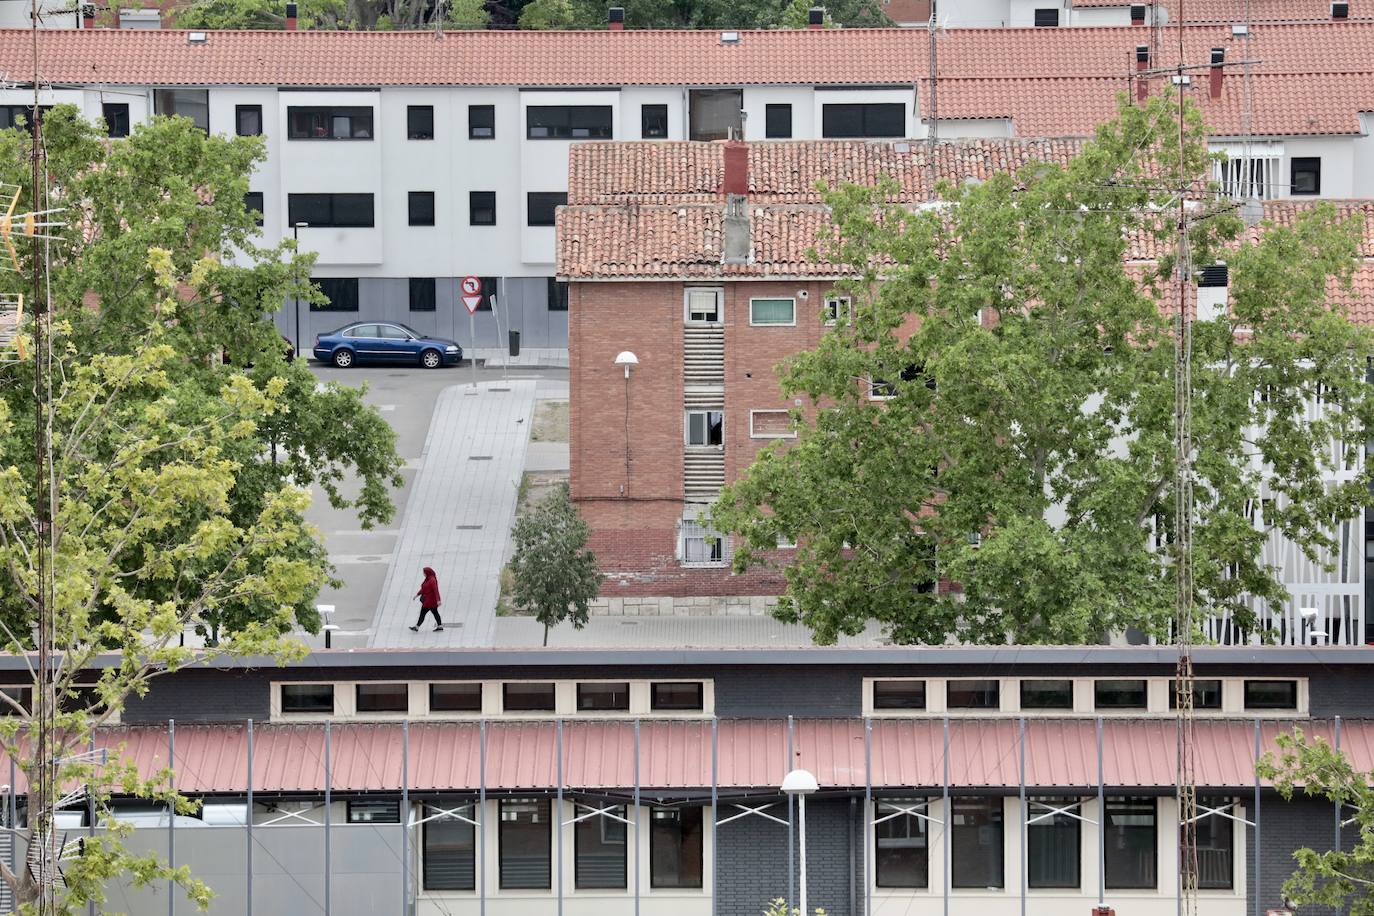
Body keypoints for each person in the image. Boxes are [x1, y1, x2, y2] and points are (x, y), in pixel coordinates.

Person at [409, 567, 443, 632]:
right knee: (435, 613)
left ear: (427, 572)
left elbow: (436, 590)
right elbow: (424, 588)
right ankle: (440, 626)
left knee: (423, 613)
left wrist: (438, 600)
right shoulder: (428, 579)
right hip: (429, 600)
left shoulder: (432, 580)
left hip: (430, 601)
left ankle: (417, 627)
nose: (423, 574)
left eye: (424, 572)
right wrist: (417, 594)